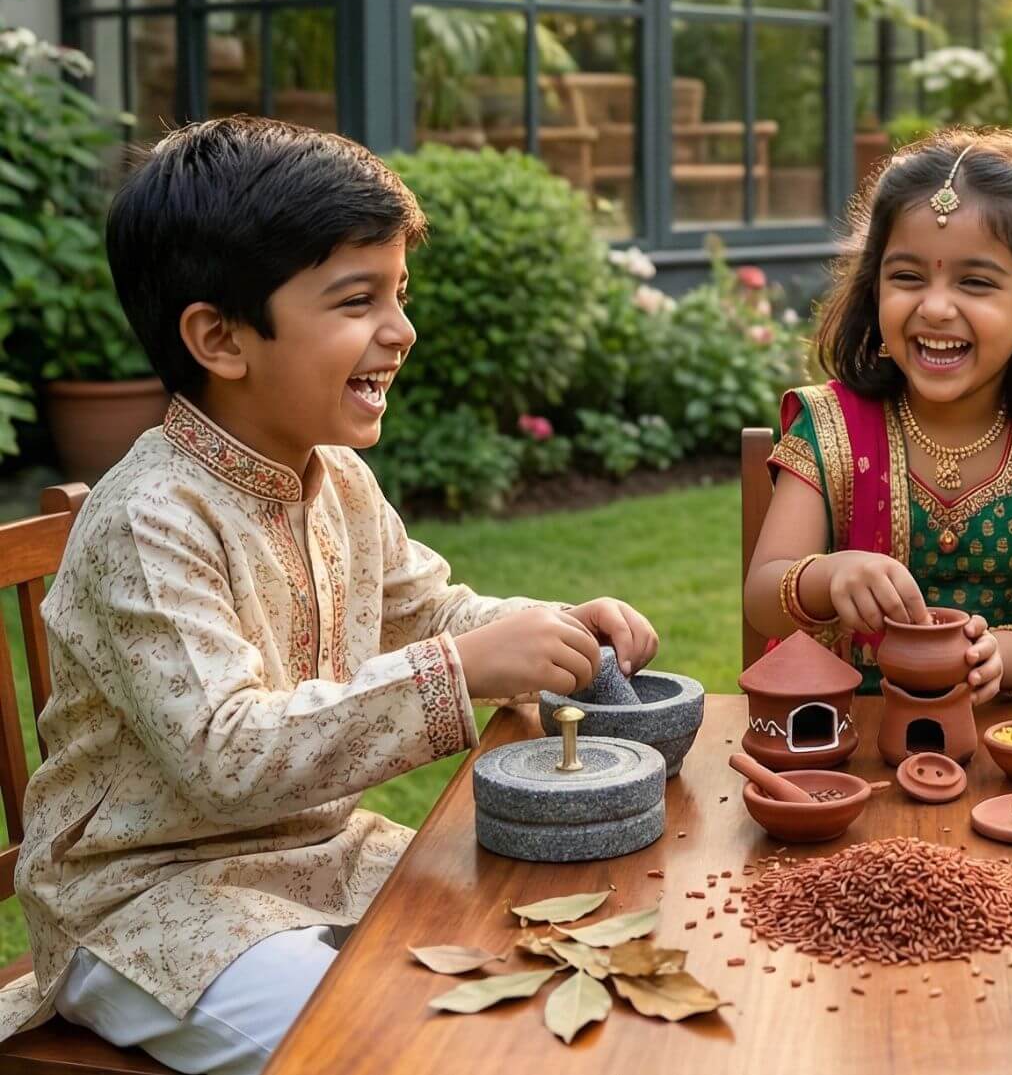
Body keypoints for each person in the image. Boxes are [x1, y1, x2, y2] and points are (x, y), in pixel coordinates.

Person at [0, 116, 658, 1074]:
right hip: (146, 907)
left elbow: (429, 608)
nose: (401, 330)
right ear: (219, 337)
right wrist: (458, 671)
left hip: (318, 861)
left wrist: (544, 627)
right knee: (396, 1042)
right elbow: (227, 755)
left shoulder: (334, 475)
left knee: (546, 939)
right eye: (358, 300)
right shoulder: (150, 519)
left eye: (400, 293)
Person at [744, 128, 1012, 701]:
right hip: (847, 731)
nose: (936, 306)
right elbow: (763, 597)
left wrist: (1002, 654)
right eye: (907, 277)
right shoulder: (831, 426)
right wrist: (833, 575)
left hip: (1009, 733)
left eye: (975, 283)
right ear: (875, 288)